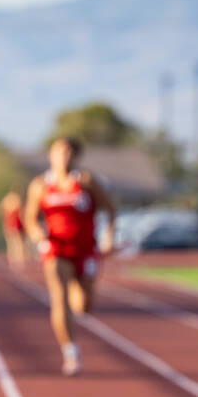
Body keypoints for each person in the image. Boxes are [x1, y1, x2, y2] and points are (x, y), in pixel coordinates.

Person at [24, 137, 114, 376]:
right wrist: (38, 235)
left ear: (75, 157)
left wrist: (109, 237)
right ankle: (70, 352)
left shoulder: (86, 181)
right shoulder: (40, 185)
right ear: (50, 155)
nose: (63, 157)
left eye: (68, 153)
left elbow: (110, 209)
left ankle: (76, 296)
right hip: (56, 249)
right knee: (59, 298)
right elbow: (30, 218)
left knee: (84, 306)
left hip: (85, 250)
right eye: (59, 152)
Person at [0, 190, 27, 270]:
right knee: (18, 244)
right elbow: (21, 215)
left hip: (8, 225)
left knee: (11, 245)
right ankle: (19, 262)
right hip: (16, 225)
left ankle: (12, 262)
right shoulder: (17, 202)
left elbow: (0, 211)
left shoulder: (6, 202)